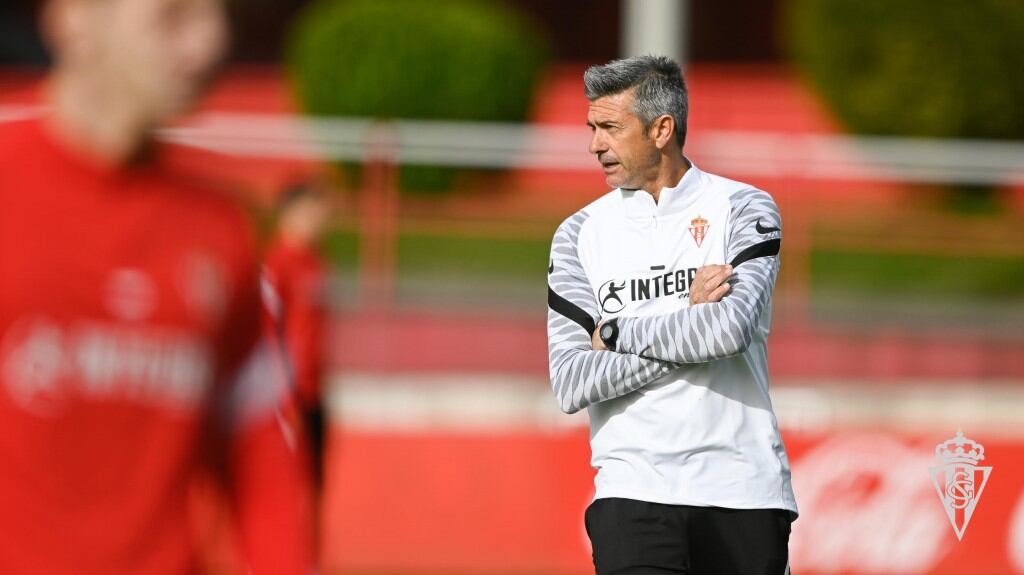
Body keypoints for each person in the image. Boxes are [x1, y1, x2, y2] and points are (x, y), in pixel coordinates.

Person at [0, 0, 312, 573]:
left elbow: (257, 453)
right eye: (174, 17)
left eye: (216, 19)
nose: (208, 44)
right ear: (73, 19)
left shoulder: (222, 231)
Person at [546, 55, 797, 575]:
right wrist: (689, 319)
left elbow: (728, 329)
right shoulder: (577, 234)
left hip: (744, 490)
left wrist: (613, 333)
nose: (594, 144)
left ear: (662, 129)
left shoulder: (746, 208)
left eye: (610, 128)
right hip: (631, 493)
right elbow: (570, 381)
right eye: (592, 127)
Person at [263, 180, 335, 488]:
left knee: (313, 483)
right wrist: (282, 392)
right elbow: (266, 330)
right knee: (284, 485)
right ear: (289, 214)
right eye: (311, 212)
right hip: (286, 394)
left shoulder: (317, 262)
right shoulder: (276, 265)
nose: (319, 220)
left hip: (313, 388)